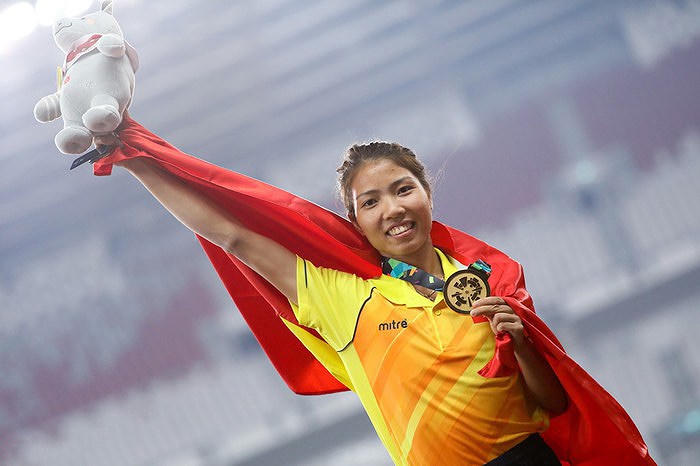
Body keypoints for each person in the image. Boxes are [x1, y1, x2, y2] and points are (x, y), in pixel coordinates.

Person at [91, 116, 653, 466]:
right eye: (371, 202)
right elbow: (232, 234)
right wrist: (137, 160)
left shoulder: (487, 283)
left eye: (403, 189)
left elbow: (553, 405)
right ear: (355, 222)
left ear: (427, 193)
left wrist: (522, 343)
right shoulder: (344, 298)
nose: (393, 209)